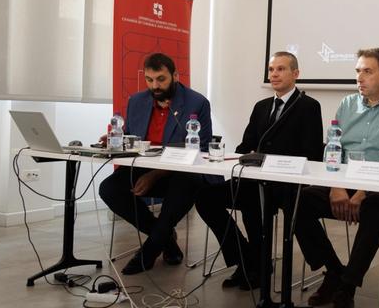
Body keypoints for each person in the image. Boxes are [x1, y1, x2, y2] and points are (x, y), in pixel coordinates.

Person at [294, 48, 379, 308]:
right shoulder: (347, 104)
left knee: (375, 207)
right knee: (298, 201)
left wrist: (365, 190)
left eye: (367, 71)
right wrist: (336, 185)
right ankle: (334, 271)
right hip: (345, 182)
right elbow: (333, 152)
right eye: (357, 71)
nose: (359, 77)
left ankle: (347, 286)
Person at [193, 51, 323, 289]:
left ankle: (258, 266)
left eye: (281, 69)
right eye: (271, 69)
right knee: (205, 197)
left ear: (296, 74)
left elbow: (312, 153)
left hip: (284, 184)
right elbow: (245, 146)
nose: (274, 74)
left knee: (252, 202)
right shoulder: (261, 106)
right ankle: (246, 258)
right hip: (254, 179)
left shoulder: (308, 106)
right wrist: (245, 154)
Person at [99, 53, 216, 275]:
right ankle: (165, 239)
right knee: (109, 189)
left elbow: (200, 149)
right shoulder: (137, 101)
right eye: (150, 80)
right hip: (144, 166)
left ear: (175, 76)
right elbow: (132, 136)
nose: (155, 86)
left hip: (180, 171)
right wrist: (116, 139)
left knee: (185, 184)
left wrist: (154, 175)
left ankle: (150, 251)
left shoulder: (196, 103)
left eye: (161, 79)